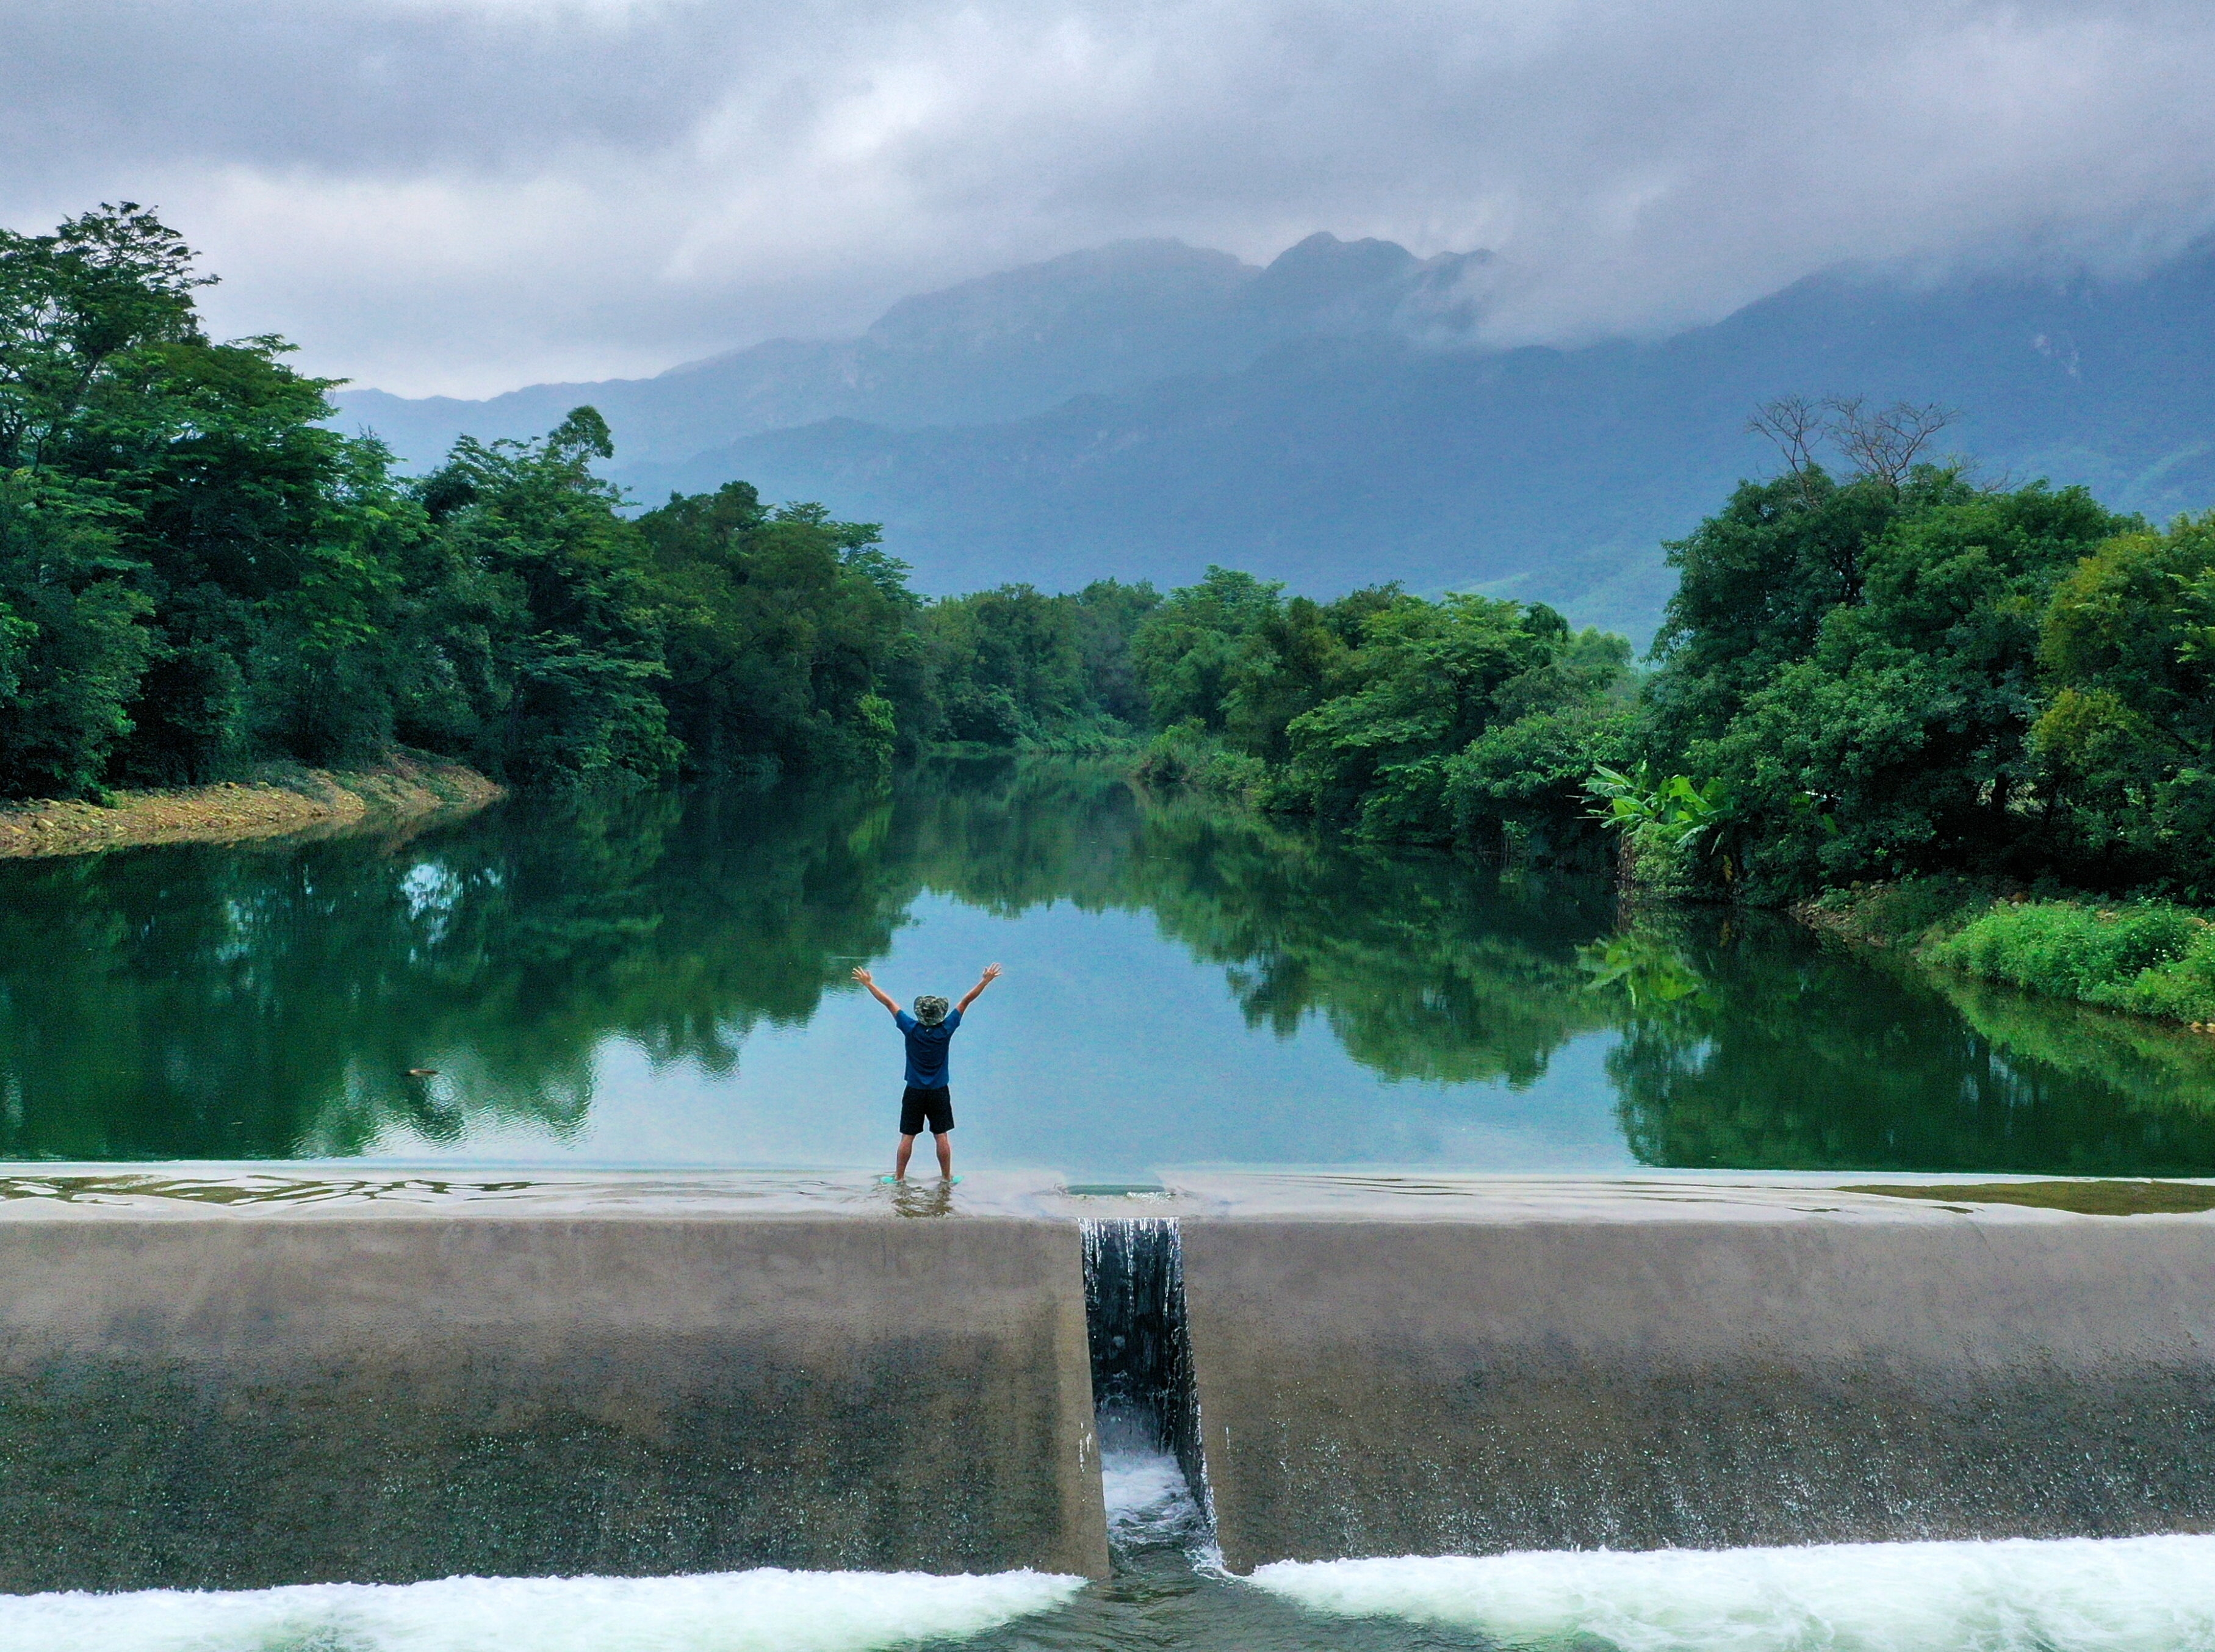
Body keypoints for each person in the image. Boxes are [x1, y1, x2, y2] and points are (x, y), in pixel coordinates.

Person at [852, 962, 1001, 1180]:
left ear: (920, 1014)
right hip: (939, 1091)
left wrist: (869, 984)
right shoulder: (946, 1029)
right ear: (940, 1014)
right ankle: (947, 1178)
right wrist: (986, 980)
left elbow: (888, 1003)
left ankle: (899, 1178)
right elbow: (966, 1001)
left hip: (914, 1091)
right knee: (941, 1135)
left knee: (907, 1136)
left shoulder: (911, 1029)